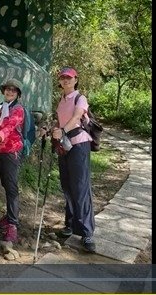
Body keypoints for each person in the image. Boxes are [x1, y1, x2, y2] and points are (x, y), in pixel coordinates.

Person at [51, 66, 96, 253]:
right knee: (67, 185)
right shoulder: (61, 100)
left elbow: (77, 116)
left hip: (79, 145)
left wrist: (62, 130)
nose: (66, 80)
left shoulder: (80, 98)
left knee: (81, 187)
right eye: (63, 78)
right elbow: (59, 121)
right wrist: (53, 129)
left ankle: (87, 233)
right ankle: (70, 225)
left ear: (76, 80)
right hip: (65, 146)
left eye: (69, 78)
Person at [0, 78, 25, 244]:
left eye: (13, 90)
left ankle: (12, 225)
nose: (10, 92)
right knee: (5, 184)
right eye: (8, 89)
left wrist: (0, 135)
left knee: (11, 187)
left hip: (11, 151)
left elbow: (11, 126)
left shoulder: (18, 109)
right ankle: (9, 216)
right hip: (2, 151)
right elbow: (1, 122)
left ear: (17, 94)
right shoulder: (3, 108)